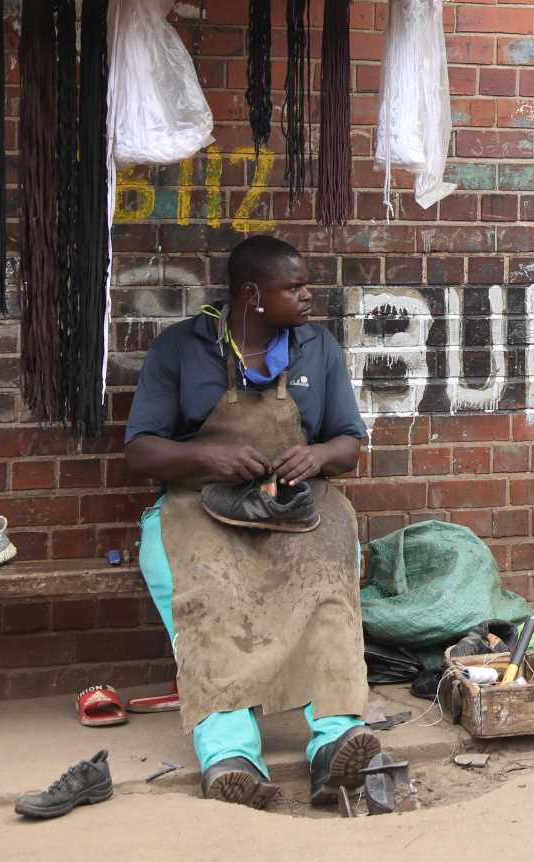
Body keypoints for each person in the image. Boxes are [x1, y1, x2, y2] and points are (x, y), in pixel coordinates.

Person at [124, 235, 378, 805]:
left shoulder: (318, 348)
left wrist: (316, 456)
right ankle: (231, 754)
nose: (309, 295)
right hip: (201, 506)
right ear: (252, 294)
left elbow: (348, 445)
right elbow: (140, 451)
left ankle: (335, 740)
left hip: (297, 503)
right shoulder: (181, 349)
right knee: (203, 593)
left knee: (329, 578)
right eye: (295, 287)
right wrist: (205, 456)